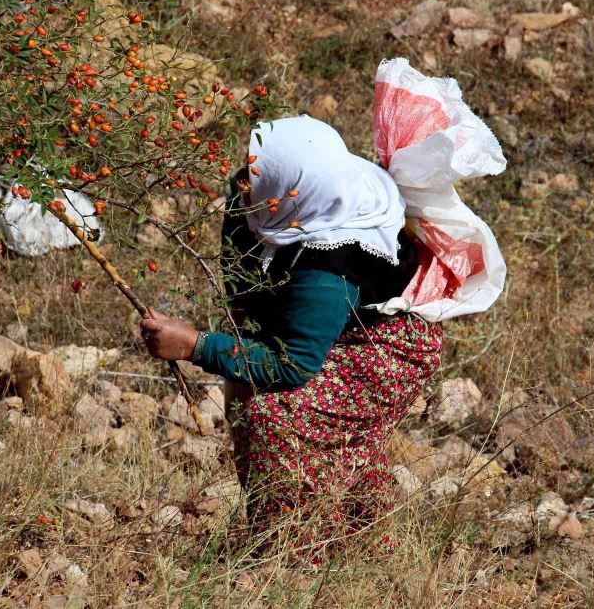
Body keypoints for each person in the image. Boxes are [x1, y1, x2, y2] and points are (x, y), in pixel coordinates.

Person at [139, 116, 443, 555]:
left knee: (274, 414)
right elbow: (241, 274)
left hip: (388, 348)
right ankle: (354, 538)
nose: (241, 181)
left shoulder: (330, 266)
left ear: (293, 192)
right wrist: (239, 348)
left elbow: (293, 364)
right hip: (330, 322)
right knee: (247, 388)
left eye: (254, 174)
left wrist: (197, 346)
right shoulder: (267, 199)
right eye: (248, 166)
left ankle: (291, 551)